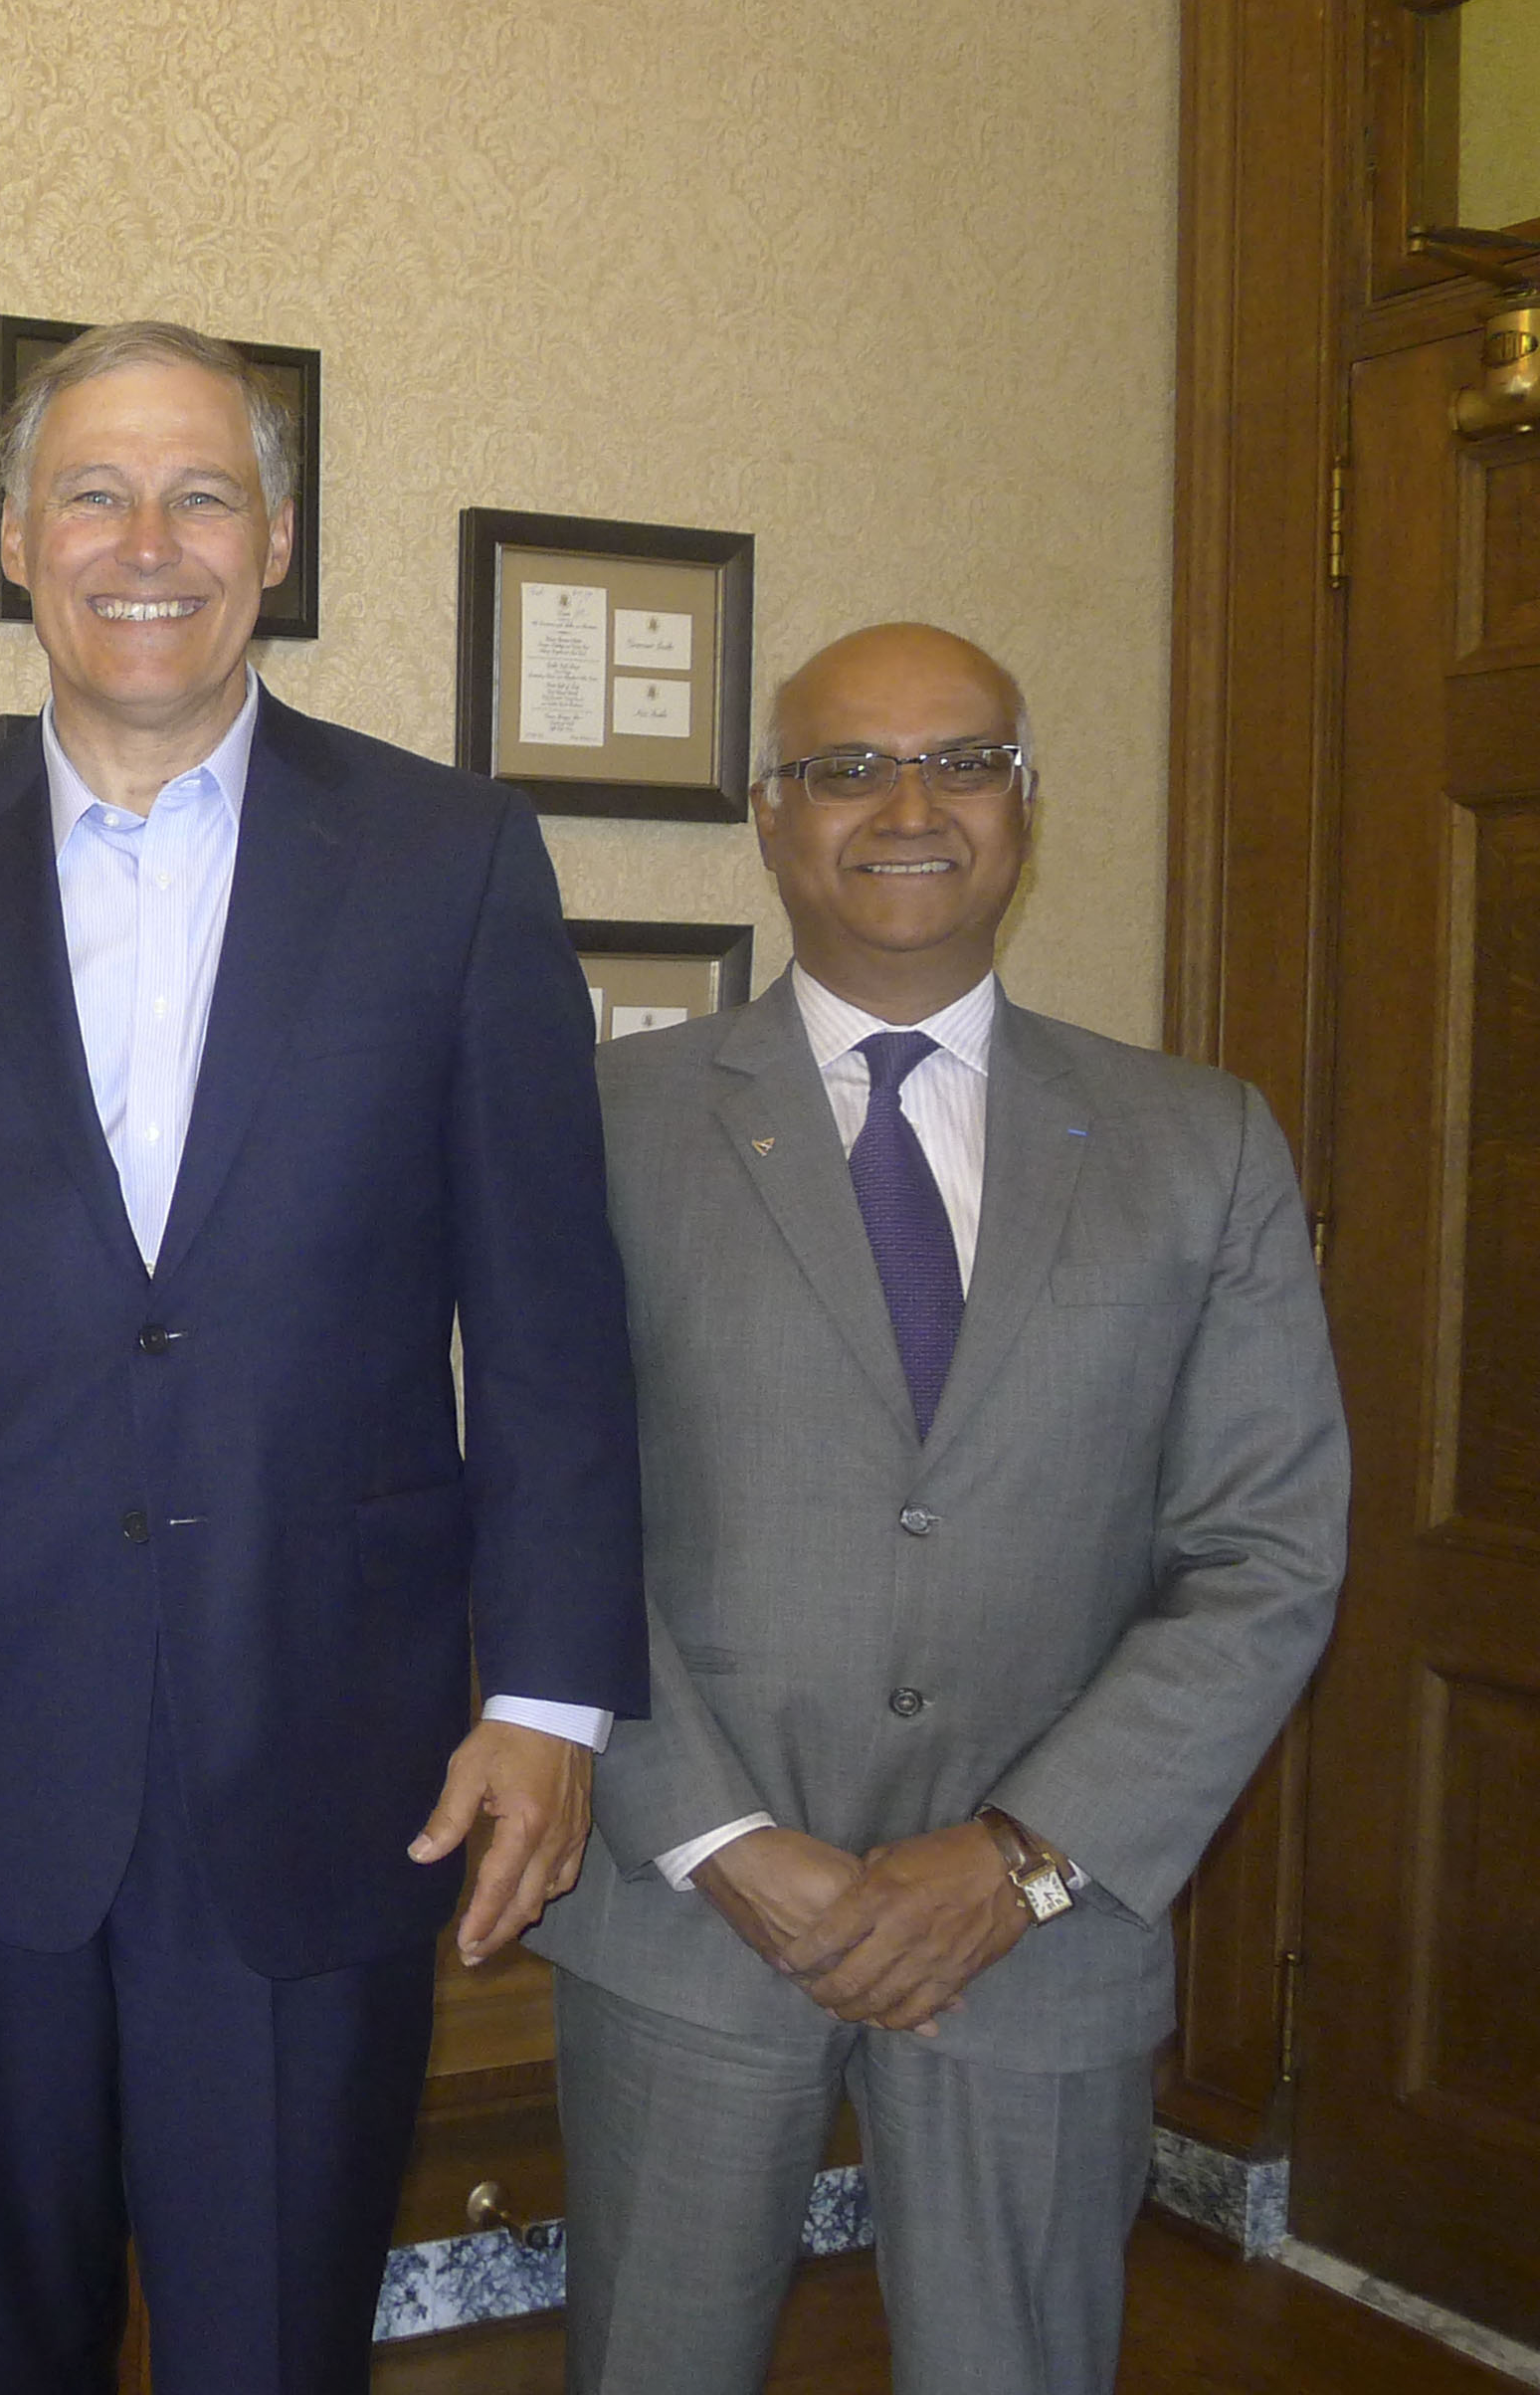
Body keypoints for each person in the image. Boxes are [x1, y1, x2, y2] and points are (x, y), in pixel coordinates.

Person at [0, 320, 649, 2392]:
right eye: (89, 491)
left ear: (275, 542)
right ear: (9, 537)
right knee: (2, 2337)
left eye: (198, 494)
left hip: (328, 1754)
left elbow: (543, 1323)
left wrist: (546, 1700)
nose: (141, 542)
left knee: (274, 2343)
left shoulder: (450, 866)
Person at [529, 622, 1349, 2395]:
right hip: (687, 1909)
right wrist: (710, 1835)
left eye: (965, 761)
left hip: (1037, 1938)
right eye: (848, 767)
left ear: (1025, 810)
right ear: (768, 814)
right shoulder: (600, 1120)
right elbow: (525, 1503)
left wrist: (1029, 1855)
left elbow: (1264, 1552)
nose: (910, 805)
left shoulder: (1200, 1144)